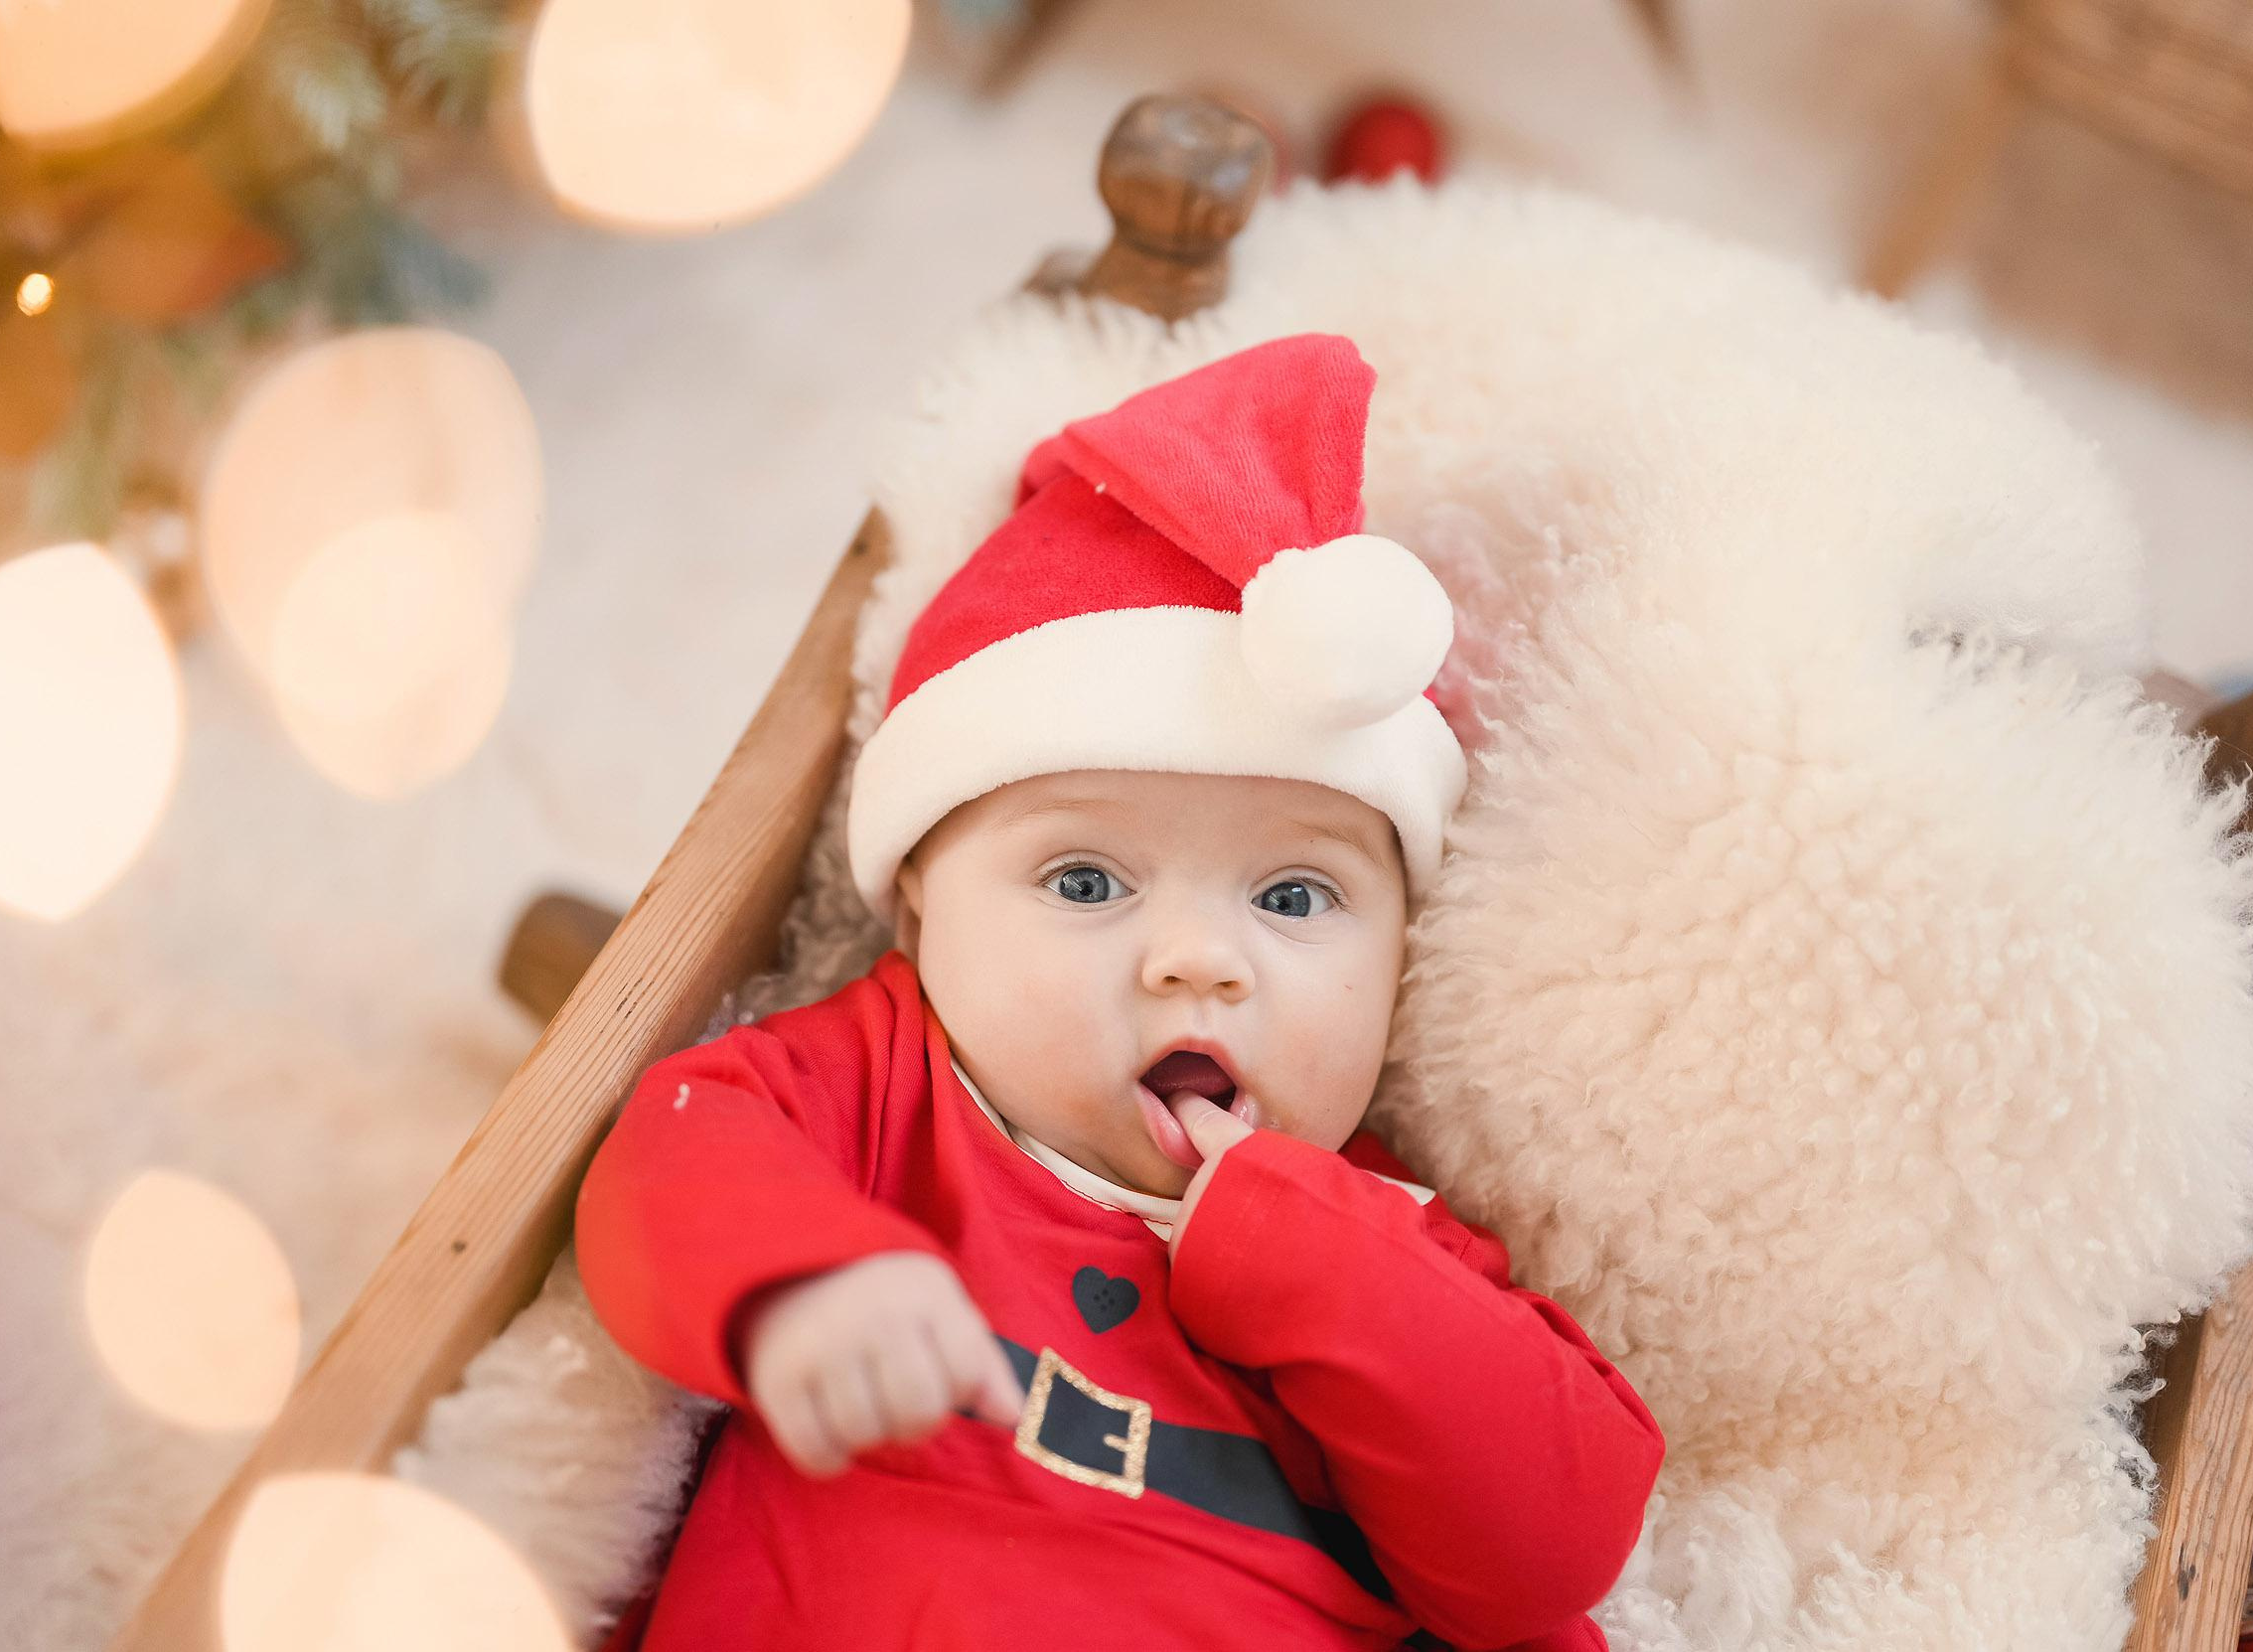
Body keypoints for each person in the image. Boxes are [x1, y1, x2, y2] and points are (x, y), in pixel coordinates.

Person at [574, 333, 1665, 1651]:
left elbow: (1552, 1548)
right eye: (1087, 884)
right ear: (918, 908)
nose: (1196, 961)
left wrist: (1302, 1247)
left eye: (1294, 899)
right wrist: (803, 1285)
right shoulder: (886, 1092)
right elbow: (672, 1157)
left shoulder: (1388, 1236)